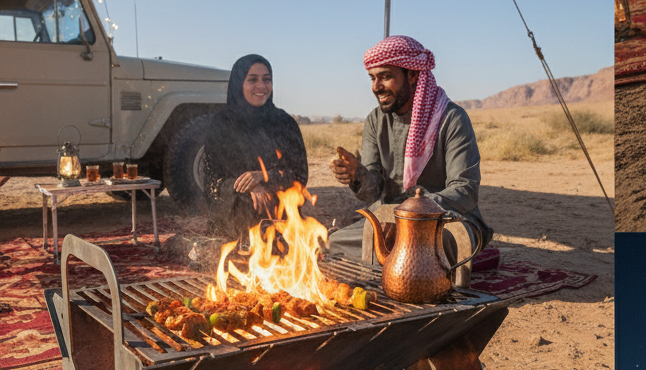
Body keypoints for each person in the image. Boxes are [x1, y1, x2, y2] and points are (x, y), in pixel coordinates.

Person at [327, 35, 490, 263]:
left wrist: (409, 216)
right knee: (335, 243)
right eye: (372, 78)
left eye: (385, 77)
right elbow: (373, 192)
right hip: (389, 220)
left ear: (413, 75)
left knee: (421, 249)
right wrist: (358, 176)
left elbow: (465, 191)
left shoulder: (452, 118)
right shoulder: (375, 120)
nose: (376, 87)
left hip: (447, 222)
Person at [202, 54, 308, 239]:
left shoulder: (284, 122)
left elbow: (300, 174)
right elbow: (212, 181)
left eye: (266, 80)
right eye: (252, 80)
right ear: (238, 84)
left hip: (280, 216)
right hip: (234, 217)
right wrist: (246, 188)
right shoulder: (221, 124)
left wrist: (263, 177)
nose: (261, 86)